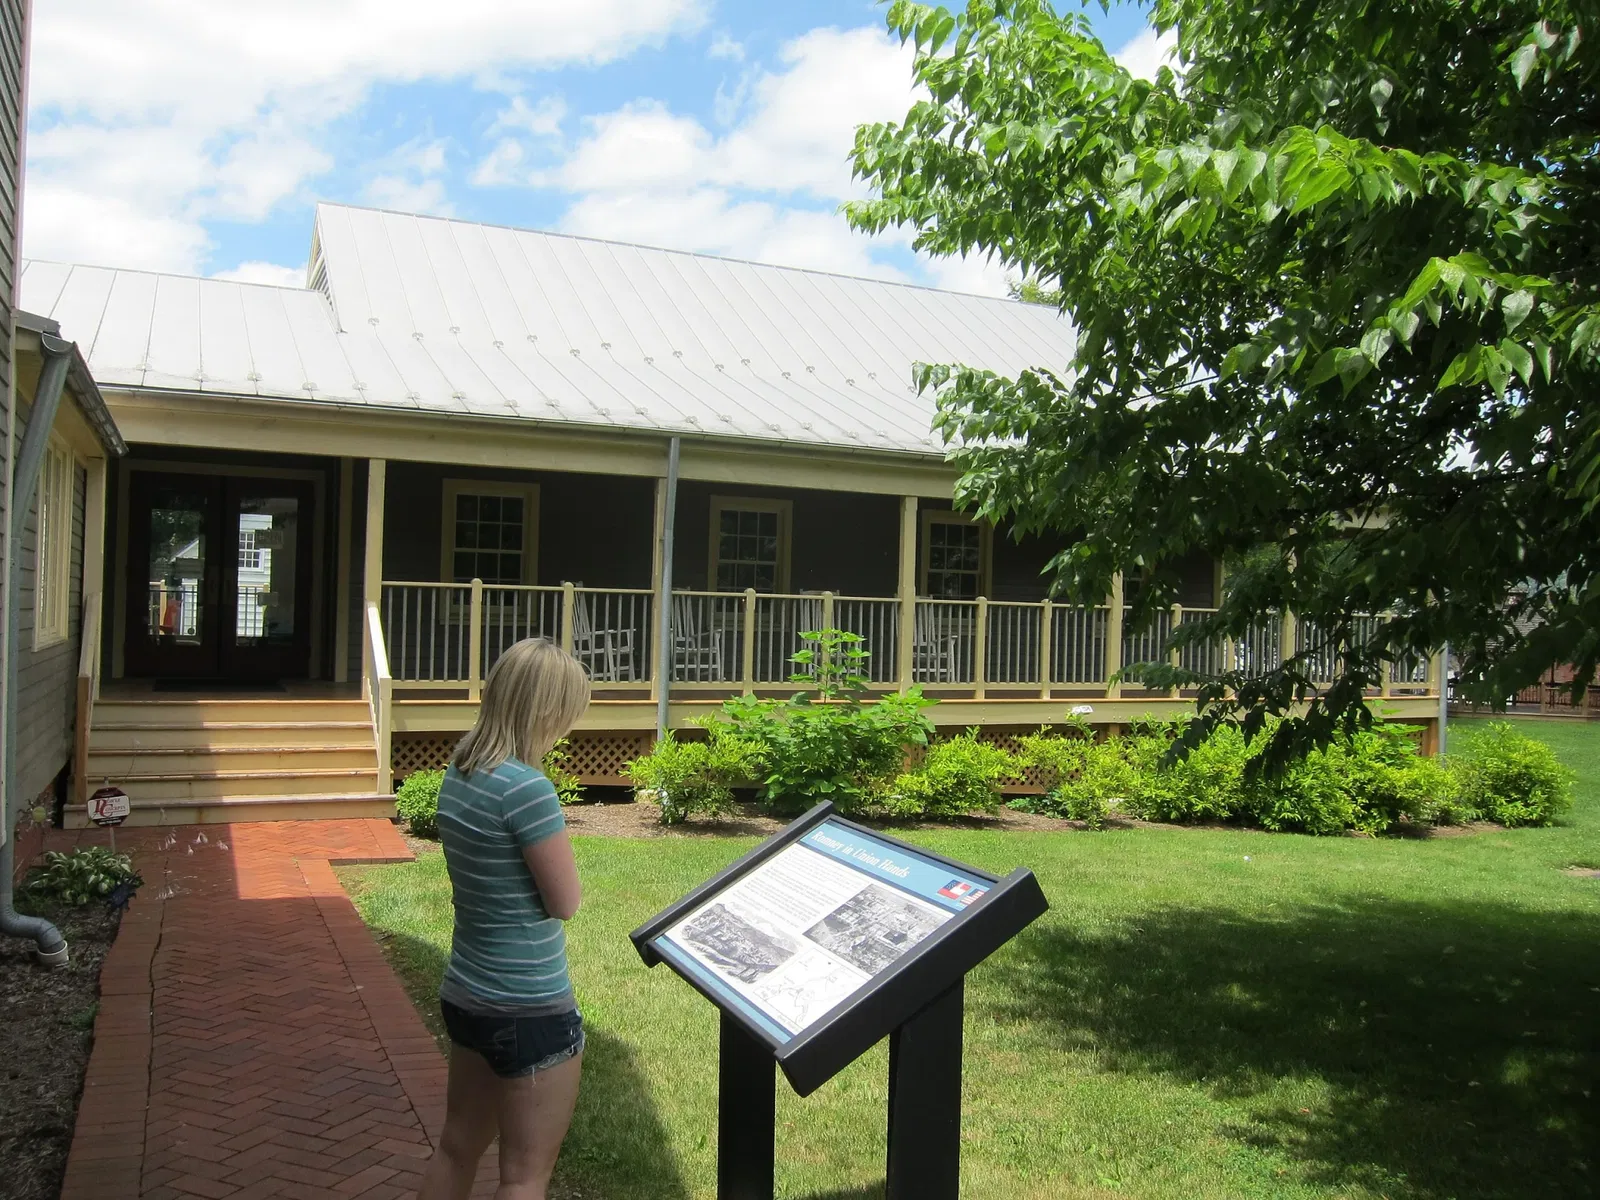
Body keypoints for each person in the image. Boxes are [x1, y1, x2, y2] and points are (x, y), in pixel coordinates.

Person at [416, 638, 591, 1200]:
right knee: (523, 1176)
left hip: (466, 991)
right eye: (567, 710)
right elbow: (565, 902)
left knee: (456, 1146)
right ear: (545, 710)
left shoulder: (462, 768)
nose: (568, 723)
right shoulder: (527, 788)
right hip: (529, 1008)